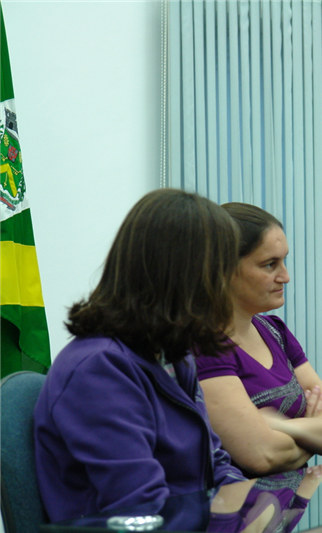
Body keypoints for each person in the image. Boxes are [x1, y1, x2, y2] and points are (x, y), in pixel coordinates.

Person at [33, 189, 245, 523]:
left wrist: (251, 508)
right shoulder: (99, 370)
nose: (226, 285)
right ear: (183, 277)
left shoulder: (171, 355)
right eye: (220, 270)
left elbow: (215, 462)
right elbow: (143, 510)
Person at [196, 203, 322, 477]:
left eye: (284, 261)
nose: (286, 277)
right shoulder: (204, 345)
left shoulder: (275, 331)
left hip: (291, 506)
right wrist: (314, 433)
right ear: (223, 268)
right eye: (270, 264)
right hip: (241, 512)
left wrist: (281, 426)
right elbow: (261, 455)